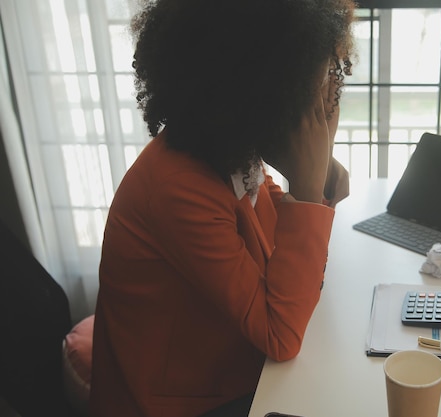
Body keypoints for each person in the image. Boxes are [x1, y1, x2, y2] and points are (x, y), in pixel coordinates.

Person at [89, 0, 356, 416]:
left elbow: (272, 247)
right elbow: (281, 335)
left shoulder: (227, 150)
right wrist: (304, 189)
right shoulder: (176, 188)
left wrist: (311, 178)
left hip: (229, 361)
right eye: (312, 93)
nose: (321, 109)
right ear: (257, 89)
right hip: (182, 400)